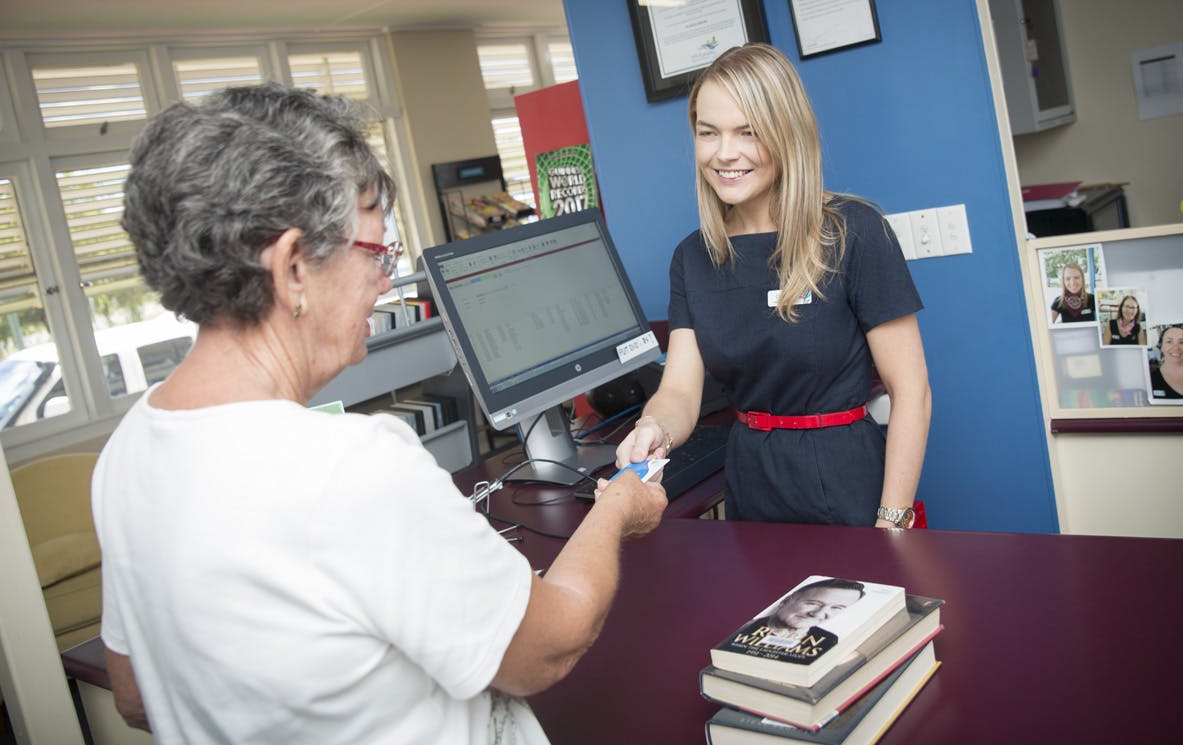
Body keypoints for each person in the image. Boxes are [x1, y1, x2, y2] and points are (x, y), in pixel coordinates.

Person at [92, 84, 667, 744]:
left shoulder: (127, 452)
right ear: (293, 266)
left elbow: (138, 695)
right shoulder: (349, 465)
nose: (385, 280)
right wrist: (616, 507)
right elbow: (548, 647)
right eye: (375, 251)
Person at [613, 43, 931, 528]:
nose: (724, 153)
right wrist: (653, 427)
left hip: (848, 484)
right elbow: (679, 391)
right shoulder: (693, 258)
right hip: (751, 484)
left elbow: (911, 390)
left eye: (748, 132)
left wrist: (891, 520)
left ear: (786, 134)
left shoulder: (853, 231)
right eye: (708, 133)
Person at [751, 578, 865, 649]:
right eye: (813, 604)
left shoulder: (829, 641)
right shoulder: (743, 628)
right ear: (785, 601)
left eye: (836, 608)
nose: (818, 614)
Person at [1149, 325, 1183, 399]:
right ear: (1161, 347)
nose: (1176, 347)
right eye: (1169, 342)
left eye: (1181, 342)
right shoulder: (1151, 379)